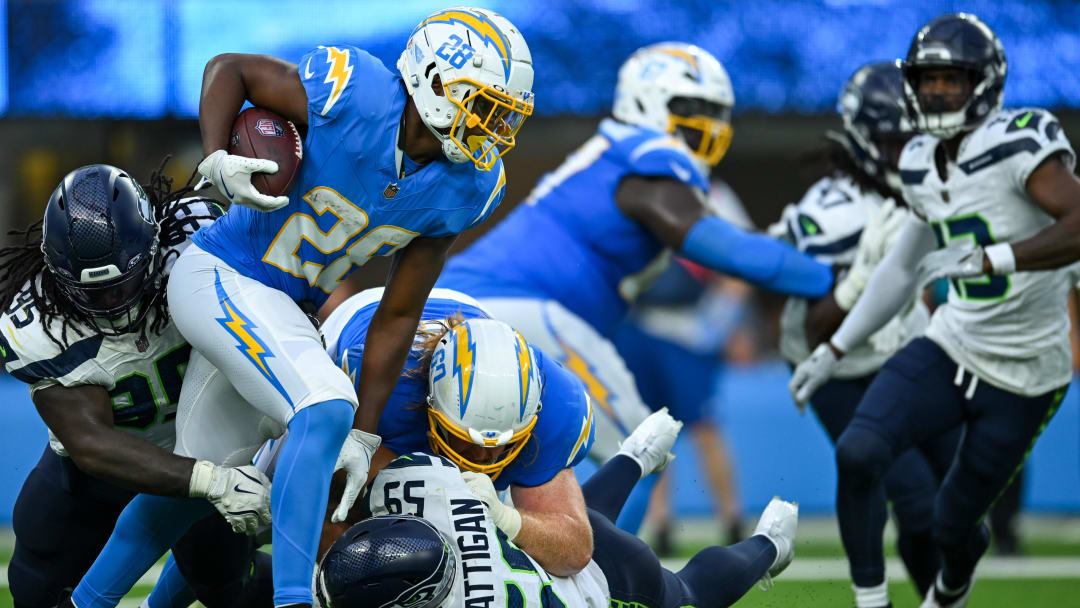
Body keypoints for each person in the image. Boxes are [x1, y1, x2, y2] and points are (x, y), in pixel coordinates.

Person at [66, 7, 534, 608]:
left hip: (283, 306)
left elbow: (398, 312)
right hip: (220, 272)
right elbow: (229, 68)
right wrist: (217, 156)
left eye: (503, 116)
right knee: (324, 403)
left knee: (197, 475)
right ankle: (294, 601)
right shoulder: (357, 94)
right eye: (487, 106)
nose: (493, 129)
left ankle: (85, 602)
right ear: (436, 81)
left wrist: (365, 435)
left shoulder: (468, 187)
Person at [437, 42, 834, 531]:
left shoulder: (612, 155)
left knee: (480, 458)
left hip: (465, 304)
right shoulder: (647, 157)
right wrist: (827, 278)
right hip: (524, 307)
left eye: (713, 112)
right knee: (640, 449)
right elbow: (725, 250)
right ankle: (596, 586)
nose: (706, 123)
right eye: (690, 109)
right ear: (646, 102)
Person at [790, 13, 1080, 608]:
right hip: (951, 343)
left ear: (986, 82)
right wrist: (834, 349)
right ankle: (872, 602)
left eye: (953, 79)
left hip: (1026, 372)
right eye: (927, 80)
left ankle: (947, 595)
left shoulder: (1022, 139)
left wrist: (997, 257)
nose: (937, 92)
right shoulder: (920, 157)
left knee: (952, 526)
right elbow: (902, 266)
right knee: (859, 451)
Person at [0, 163, 271, 608]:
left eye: (120, 283)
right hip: (96, 478)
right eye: (94, 293)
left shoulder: (198, 240)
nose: (112, 302)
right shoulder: (38, 327)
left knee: (228, 585)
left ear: (154, 245)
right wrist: (213, 482)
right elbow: (91, 444)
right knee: (37, 588)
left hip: (205, 447)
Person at [777, 60, 962, 600]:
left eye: (916, 135)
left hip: (908, 348)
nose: (907, 150)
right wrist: (862, 277)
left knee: (955, 500)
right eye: (892, 137)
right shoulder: (833, 210)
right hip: (836, 365)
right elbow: (816, 329)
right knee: (906, 489)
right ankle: (871, 598)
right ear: (862, 135)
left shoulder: (941, 182)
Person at [315, 409, 798, 608]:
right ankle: (634, 456)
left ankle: (769, 545)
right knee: (585, 521)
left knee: (688, 593)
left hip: (607, 584)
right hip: (547, 550)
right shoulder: (416, 480)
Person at [319, 287, 596, 575]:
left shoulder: (556, 407)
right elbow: (322, 472)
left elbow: (574, 550)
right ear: (430, 407)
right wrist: (433, 493)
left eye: (504, 442)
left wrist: (505, 519)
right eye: (465, 439)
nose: (483, 455)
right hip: (356, 322)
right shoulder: (383, 382)